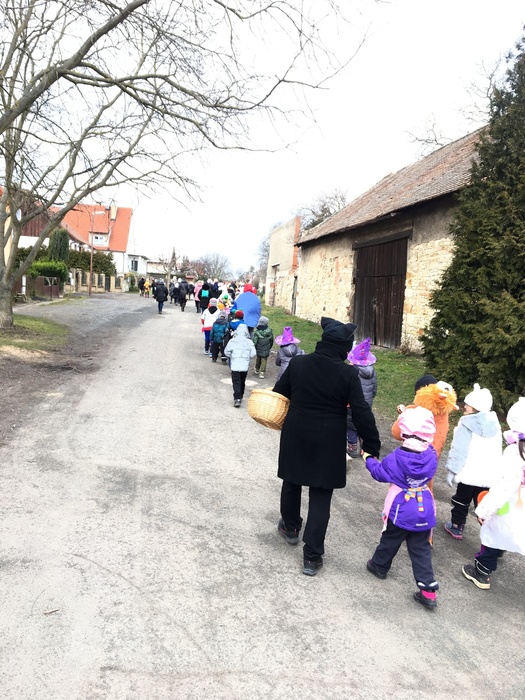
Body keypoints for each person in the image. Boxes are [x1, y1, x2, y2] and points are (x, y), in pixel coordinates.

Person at [273, 317, 380, 576]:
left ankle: (290, 527)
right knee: (321, 496)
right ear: (343, 348)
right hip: (328, 439)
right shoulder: (348, 374)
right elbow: (361, 411)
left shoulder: (298, 363)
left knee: (292, 481)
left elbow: (279, 392)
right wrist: (372, 444)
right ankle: (312, 557)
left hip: (297, 432)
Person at [364, 406, 440, 610]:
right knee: (421, 549)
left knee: (390, 539)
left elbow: (379, 473)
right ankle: (428, 591)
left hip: (401, 508)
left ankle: (379, 565)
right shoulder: (431, 454)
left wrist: (369, 460)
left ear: (404, 431)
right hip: (424, 507)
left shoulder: (397, 457)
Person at [462, 397, 525, 590]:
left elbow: (504, 487)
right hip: (519, 504)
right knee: (510, 531)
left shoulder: (515, 452)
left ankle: (482, 571)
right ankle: (500, 549)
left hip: (510, 503)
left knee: (494, 530)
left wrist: (484, 510)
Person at [444, 383, 503, 540]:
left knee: (461, 500)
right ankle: (491, 531)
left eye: (468, 404)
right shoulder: (495, 425)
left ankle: (456, 525)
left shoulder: (466, 424)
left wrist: (452, 470)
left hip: (468, 473)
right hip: (487, 475)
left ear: (475, 407)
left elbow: (459, 450)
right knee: (483, 502)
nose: (465, 406)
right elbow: (498, 452)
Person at [346, 337, 377, 458]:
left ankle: (352, 448)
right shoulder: (372, 371)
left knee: (351, 424)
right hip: (366, 403)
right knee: (363, 423)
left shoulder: (350, 372)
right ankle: (365, 447)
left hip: (352, 405)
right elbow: (374, 389)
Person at [224, 324, 256, 407]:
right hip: (244, 365)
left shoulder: (232, 341)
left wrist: (232, 356)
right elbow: (253, 353)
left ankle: (237, 398)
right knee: (242, 380)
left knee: (236, 381)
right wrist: (247, 357)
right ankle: (241, 394)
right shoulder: (249, 342)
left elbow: (226, 352)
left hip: (235, 364)